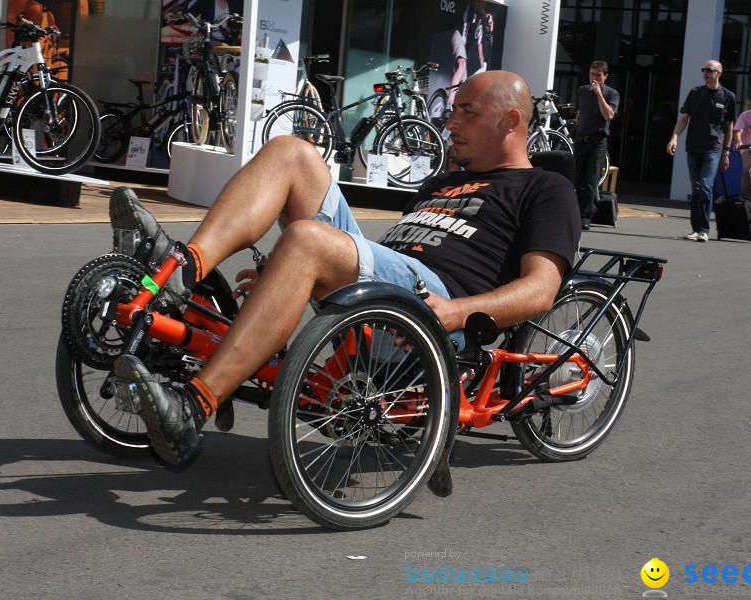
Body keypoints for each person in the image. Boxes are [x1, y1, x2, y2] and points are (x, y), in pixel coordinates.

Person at [111, 70, 581, 467]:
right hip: (384, 280)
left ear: (511, 121)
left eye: (467, 113)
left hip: (433, 309)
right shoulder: (445, 181)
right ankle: (183, 267)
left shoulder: (545, 188)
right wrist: (287, 274)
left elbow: (540, 290)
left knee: (306, 242)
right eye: (454, 110)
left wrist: (457, 312)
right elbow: (388, 254)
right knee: (291, 152)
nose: (451, 122)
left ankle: (192, 407)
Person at [666, 59, 736, 242]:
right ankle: (695, 229)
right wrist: (674, 137)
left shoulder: (728, 96)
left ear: (718, 73)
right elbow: (684, 118)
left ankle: (704, 229)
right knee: (696, 189)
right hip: (693, 146)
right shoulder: (695, 93)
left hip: (713, 147)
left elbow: (729, 127)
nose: (705, 73)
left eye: (709, 70)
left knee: (705, 186)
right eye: (703, 69)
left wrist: (726, 152)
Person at [573, 60, 619, 230]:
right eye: (592, 74)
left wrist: (599, 94)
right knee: (576, 179)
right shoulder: (583, 91)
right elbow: (580, 112)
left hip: (598, 141)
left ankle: (585, 216)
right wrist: (576, 131)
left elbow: (609, 115)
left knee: (591, 180)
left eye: (598, 75)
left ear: (605, 77)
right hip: (581, 139)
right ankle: (574, 213)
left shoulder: (611, 94)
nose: (594, 78)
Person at [446, 0, 494, 110]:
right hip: (457, 33)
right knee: (462, 65)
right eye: (481, 2)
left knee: (464, 80)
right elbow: (478, 8)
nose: (482, 4)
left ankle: (455, 107)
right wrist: (487, 16)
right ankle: (449, 103)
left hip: (464, 43)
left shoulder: (479, 25)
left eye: (484, 3)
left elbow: (479, 45)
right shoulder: (473, 6)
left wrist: (483, 66)